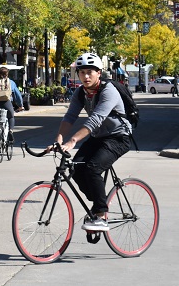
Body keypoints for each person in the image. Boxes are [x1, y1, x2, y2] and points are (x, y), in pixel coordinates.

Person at [49, 52, 132, 232]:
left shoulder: (108, 91)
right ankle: (97, 205)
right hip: (98, 137)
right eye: (82, 72)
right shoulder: (80, 93)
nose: (85, 76)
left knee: (93, 168)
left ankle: (101, 215)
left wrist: (72, 141)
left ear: (99, 73)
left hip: (118, 137)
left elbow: (95, 120)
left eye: (90, 72)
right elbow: (70, 116)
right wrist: (59, 139)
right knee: (77, 169)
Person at [0, 66, 24, 152]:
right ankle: (10, 131)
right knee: (11, 117)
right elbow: (17, 96)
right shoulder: (11, 83)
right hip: (7, 103)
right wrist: (20, 105)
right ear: (7, 74)